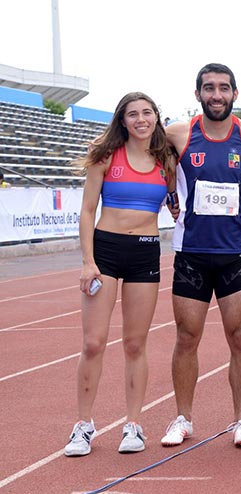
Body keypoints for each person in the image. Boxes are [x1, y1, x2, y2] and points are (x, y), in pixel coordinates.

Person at [160, 63, 241, 448]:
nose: (216, 95)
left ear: (235, 94)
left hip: (234, 254)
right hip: (190, 254)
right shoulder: (178, 132)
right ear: (198, 94)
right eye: (209, 88)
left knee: (240, 338)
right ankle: (183, 418)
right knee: (186, 338)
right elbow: (145, 146)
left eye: (224, 88)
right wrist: (171, 195)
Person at [64, 92, 175, 456]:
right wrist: (87, 261)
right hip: (106, 251)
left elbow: (177, 203)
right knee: (93, 342)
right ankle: (83, 426)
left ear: (157, 118)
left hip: (145, 249)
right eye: (133, 114)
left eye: (147, 113)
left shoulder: (166, 161)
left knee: (134, 344)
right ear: (123, 120)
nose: (141, 119)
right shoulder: (105, 155)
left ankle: (133, 425)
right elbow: (87, 210)